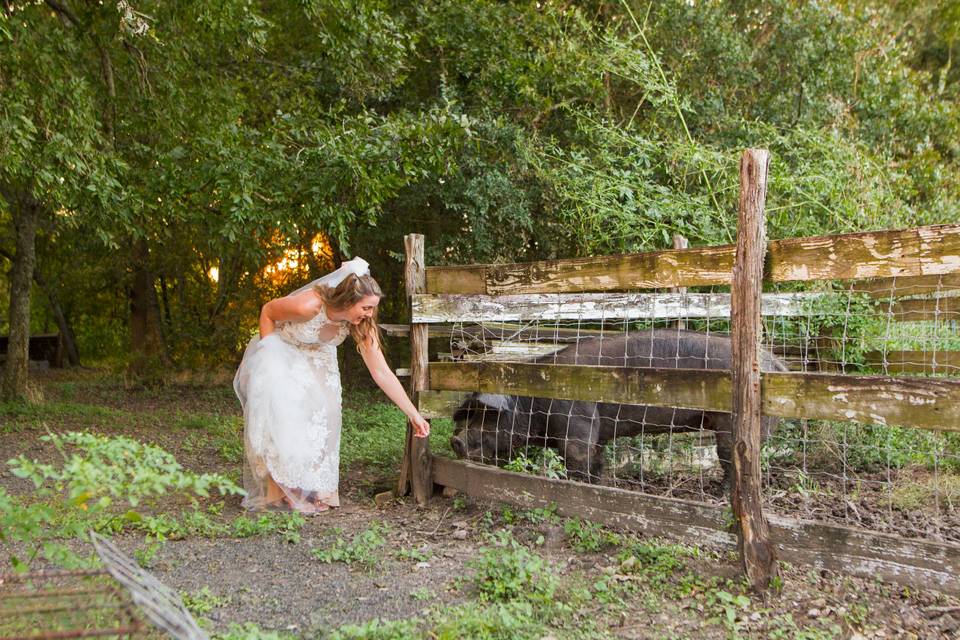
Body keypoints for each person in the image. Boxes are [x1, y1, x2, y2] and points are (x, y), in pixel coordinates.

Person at [233, 257, 430, 514]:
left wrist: (413, 414)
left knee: (325, 416)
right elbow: (268, 312)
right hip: (283, 352)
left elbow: (381, 372)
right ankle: (277, 491)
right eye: (367, 307)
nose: (370, 314)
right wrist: (271, 366)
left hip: (321, 358)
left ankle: (312, 488)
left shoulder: (360, 324)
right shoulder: (309, 305)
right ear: (348, 300)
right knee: (283, 415)